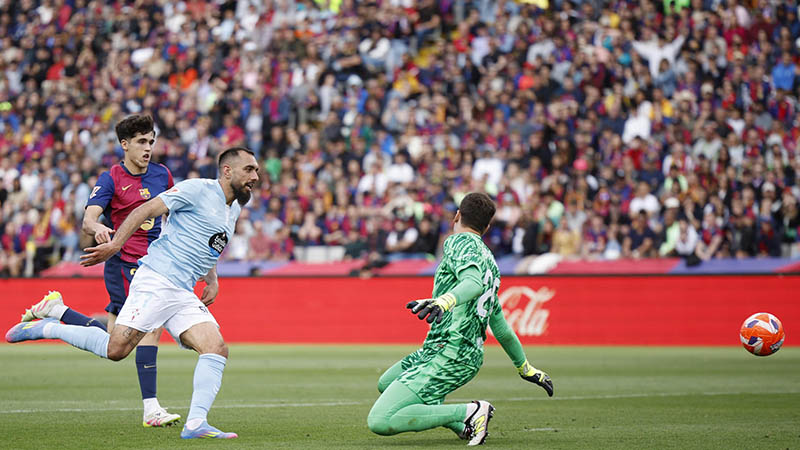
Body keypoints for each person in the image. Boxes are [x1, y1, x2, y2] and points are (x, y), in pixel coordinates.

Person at [6, 147, 260, 440]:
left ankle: (196, 424)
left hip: (182, 290)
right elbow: (145, 210)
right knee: (116, 350)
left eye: (255, 170)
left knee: (216, 348)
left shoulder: (235, 207)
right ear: (227, 171)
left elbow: (210, 244)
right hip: (157, 279)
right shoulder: (196, 189)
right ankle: (47, 326)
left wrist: (212, 279)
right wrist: (115, 245)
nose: (255, 176)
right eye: (249, 170)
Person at [18, 114, 179, 427]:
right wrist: (99, 228)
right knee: (150, 326)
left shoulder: (162, 175)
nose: (148, 148)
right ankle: (151, 409)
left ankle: (57, 313)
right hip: (125, 265)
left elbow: (172, 214)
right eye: (141, 142)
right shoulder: (111, 179)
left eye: (151, 141)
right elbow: (88, 219)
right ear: (125, 145)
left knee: (113, 345)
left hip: (156, 264)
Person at [367, 192, 553, 446]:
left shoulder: (458, 242)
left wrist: (443, 301)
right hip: (450, 352)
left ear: (457, 216)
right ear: (487, 227)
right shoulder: (490, 262)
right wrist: (525, 368)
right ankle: (463, 425)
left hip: (450, 352)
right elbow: (499, 325)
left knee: (380, 420)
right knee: (386, 383)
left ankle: (470, 412)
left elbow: (472, 283)